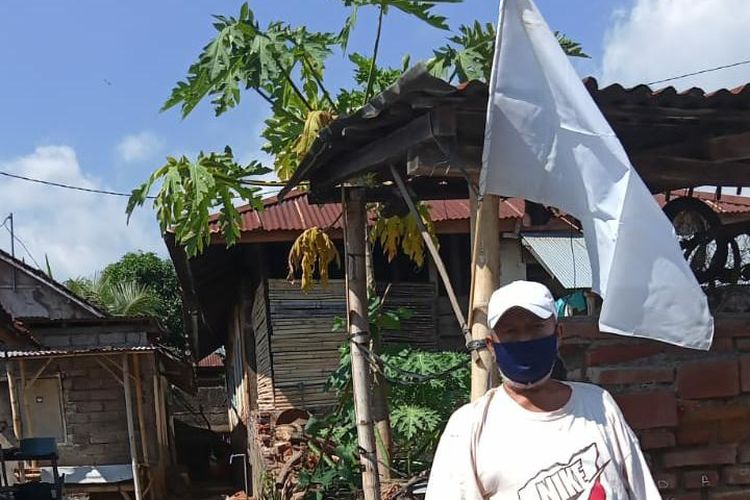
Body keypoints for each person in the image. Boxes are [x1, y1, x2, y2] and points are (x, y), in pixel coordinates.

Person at [425, 280, 660, 499]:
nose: (524, 340)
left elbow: (642, 489)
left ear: (558, 334)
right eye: (510, 332)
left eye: (535, 328)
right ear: (491, 345)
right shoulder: (469, 426)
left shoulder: (598, 404)